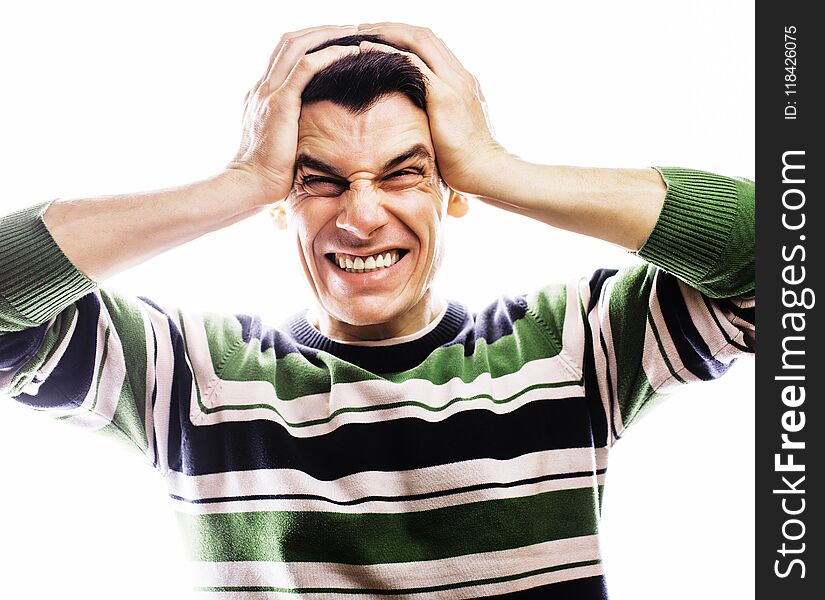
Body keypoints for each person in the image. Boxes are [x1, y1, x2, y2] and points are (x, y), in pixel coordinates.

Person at [0, 22, 754, 599]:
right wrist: (241, 179)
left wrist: (499, 167)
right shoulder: (184, 371)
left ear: (454, 191)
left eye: (404, 174)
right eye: (319, 180)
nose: (361, 217)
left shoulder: (576, 342)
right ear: (276, 206)